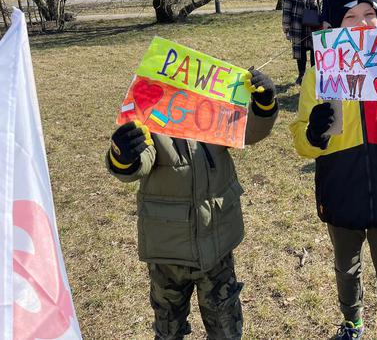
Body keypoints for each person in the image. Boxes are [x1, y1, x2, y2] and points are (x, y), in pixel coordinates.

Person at [290, 0, 377, 340]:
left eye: (370, 15)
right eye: (352, 17)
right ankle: (353, 323)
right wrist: (313, 132)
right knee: (346, 267)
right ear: (333, 27)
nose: (364, 24)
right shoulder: (319, 74)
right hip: (340, 188)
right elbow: (304, 142)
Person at [106, 70, 278, 340]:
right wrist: (123, 156)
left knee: (226, 327)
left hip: (217, 246)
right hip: (168, 253)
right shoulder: (149, 114)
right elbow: (137, 164)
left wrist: (264, 104)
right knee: (168, 328)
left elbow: (248, 131)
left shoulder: (211, 112)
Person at [282, 0, 323, 85]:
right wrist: (286, 25)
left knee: (313, 49)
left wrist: (323, 18)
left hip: (313, 18)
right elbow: (287, 3)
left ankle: (313, 76)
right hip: (297, 19)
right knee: (300, 48)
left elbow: (323, 0)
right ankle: (301, 75)